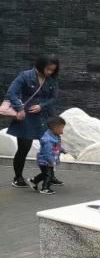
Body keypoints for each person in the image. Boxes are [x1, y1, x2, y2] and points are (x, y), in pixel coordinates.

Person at [6, 55, 61, 189]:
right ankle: (18, 178)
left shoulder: (51, 79)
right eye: (48, 69)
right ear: (40, 66)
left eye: (53, 70)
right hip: (27, 116)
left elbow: (54, 98)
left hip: (46, 116)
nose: (50, 72)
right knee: (24, 148)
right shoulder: (25, 76)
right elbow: (11, 93)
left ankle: (50, 176)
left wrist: (42, 106)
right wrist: (20, 108)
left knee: (50, 146)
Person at [31, 116, 65, 195]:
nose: (62, 131)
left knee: (46, 174)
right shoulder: (48, 140)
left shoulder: (55, 136)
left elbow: (56, 146)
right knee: (48, 175)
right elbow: (47, 152)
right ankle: (45, 188)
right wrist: (51, 161)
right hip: (45, 161)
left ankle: (34, 180)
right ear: (55, 128)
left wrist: (62, 150)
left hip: (48, 160)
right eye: (61, 128)